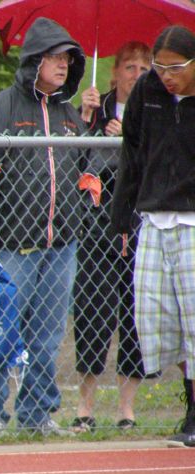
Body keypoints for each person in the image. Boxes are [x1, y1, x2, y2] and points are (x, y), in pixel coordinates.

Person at [0, 17, 101, 436]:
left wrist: (90, 128)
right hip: (11, 247)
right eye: (54, 58)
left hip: (62, 248)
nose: (62, 65)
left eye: (68, 59)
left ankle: (37, 415)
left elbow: (87, 175)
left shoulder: (70, 116)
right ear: (33, 61)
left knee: (47, 337)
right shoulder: (1, 109)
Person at [110, 25, 195, 448]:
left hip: (193, 221)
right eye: (160, 67)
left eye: (176, 67)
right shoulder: (146, 92)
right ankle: (191, 400)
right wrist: (121, 216)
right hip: (152, 217)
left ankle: (194, 413)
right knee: (160, 322)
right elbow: (133, 152)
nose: (166, 75)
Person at [71, 41, 155, 433]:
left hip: (141, 227)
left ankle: (126, 408)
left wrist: (130, 139)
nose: (136, 75)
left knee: (136, 317)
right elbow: (72, 160)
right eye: (129, 67)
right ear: (115, 73)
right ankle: (85, 405)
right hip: (97, 227)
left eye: (144, 68)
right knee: (93, 314)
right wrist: (83, 117)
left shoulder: (154, 110)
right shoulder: (95, 108)